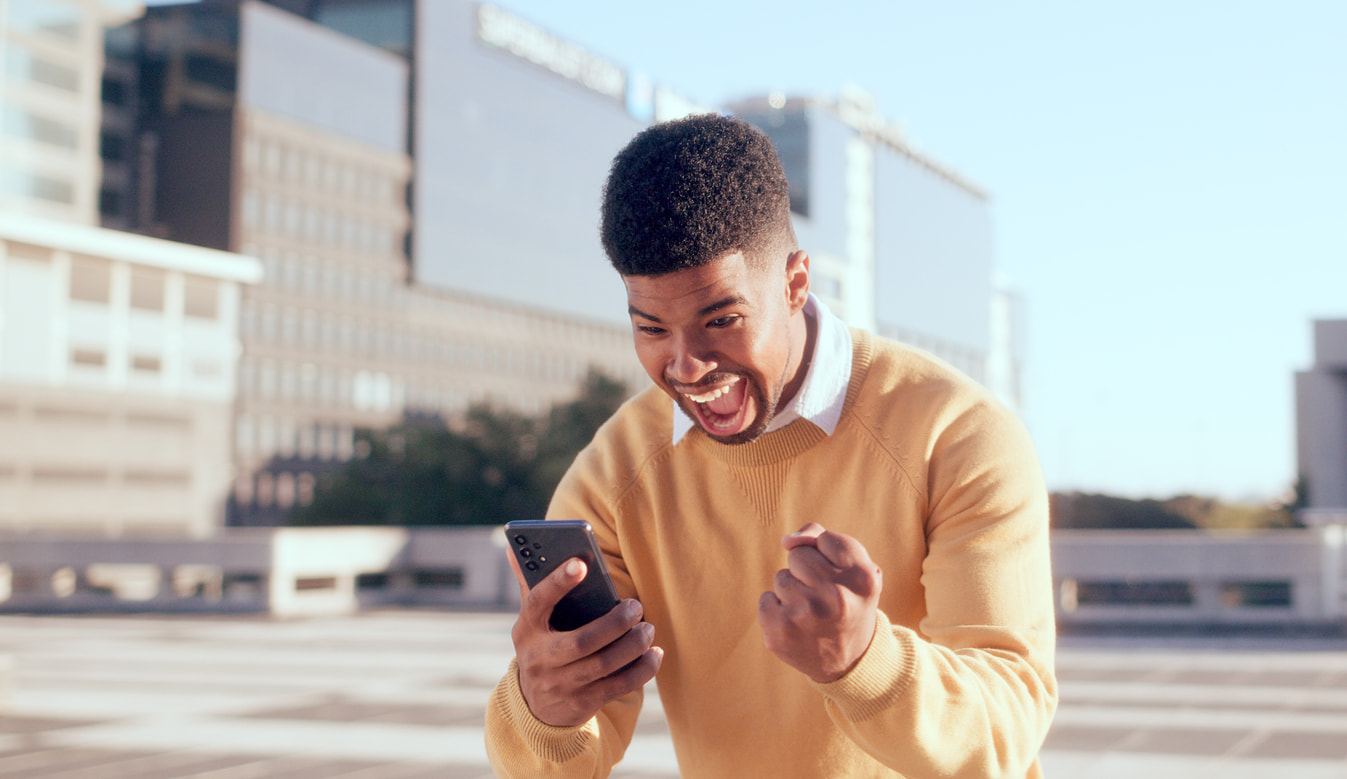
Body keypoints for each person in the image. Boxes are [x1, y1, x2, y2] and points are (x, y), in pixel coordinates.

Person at [484, 113, 1057, 778]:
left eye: (720, 320)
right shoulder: (613, 477)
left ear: (794, 282)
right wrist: (543, 705)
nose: (686, 365)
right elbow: (554, 763)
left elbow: (1008, 725)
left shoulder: (956, 434)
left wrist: (864, 661)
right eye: (650, 327)